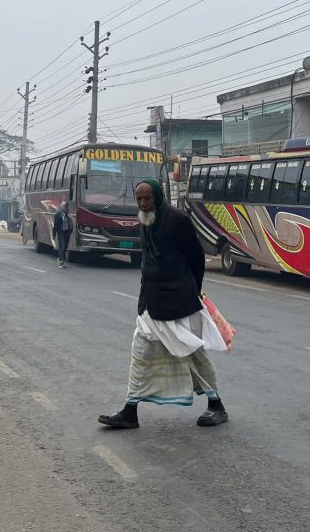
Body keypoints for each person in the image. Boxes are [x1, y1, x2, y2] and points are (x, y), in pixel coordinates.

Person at [98, 179, 229, 430]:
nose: (143, 204)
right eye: (139, 199)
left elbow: (195, 257)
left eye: (147, 198)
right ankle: (130, 411)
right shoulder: (145, 220)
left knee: (192, 355)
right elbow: (147, 260)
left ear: (157, 197)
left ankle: (216, 405)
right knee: (141, 353)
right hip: (151, 302)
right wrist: (143, 299)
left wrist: (194, 290)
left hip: (179, 302)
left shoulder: (177, 220)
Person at [53, 201, 72, 268]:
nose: (67, 208)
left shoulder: (68, 215)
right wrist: (54, 234)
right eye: (65, 206)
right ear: (62, 207)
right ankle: (61, 262)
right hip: (60, 232)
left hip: (67, 233)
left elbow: (70, 224)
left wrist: (70, 231)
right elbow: (55, 225)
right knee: (62, 247)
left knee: (65, 248)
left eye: (67, 206)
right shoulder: (58, 214)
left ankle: (60, 258)